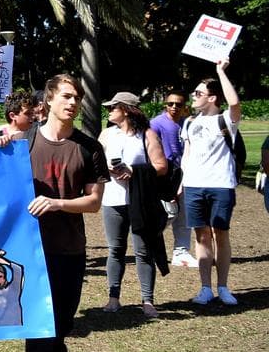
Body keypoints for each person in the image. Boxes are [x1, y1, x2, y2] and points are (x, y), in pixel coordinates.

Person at [24, 74, 109, 352]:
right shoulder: (24, 143)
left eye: (77, 97)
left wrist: (57, 203)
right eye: (67, 96)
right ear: (49, 100)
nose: (73, 103)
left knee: (60, 328)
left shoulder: (89, 147)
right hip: (30, 252)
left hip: (69, 251)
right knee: (38, 327)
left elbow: (94, 202)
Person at [98, 91, 169, 319]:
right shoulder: (107, 134)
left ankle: (147, 300)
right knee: (115, 249)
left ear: (126, 110)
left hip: (140, 201)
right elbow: (95, 162)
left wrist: (133, 170)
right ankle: (113, 298)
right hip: (112, 199)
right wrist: (108, 169)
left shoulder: (146, 134)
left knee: (143, 251)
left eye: (113, 107)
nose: (109, 111)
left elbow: (161, 166)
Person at [181, 60, 242, 306]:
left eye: (198, 93)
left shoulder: (226, 120)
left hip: (221, 185)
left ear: (212, 98)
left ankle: (223, 287)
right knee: (201, 236)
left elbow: (234, 103)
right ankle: (205, 288)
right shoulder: (189, 122)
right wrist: (182, 182)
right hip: (194, 185)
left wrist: (220, 71)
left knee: (220, 234)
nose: (193, 96)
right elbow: (187, 155)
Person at [150, 90, 196, 267]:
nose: (174, 107)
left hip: (186, 173)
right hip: (165, 176)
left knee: (184, 215)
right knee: (168, 212)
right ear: (165, 104)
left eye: (178, 104)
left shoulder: (187, 123)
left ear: (185, 106)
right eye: (170, 104)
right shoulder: (156, 124)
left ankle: (181, 252)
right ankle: (149, 245)